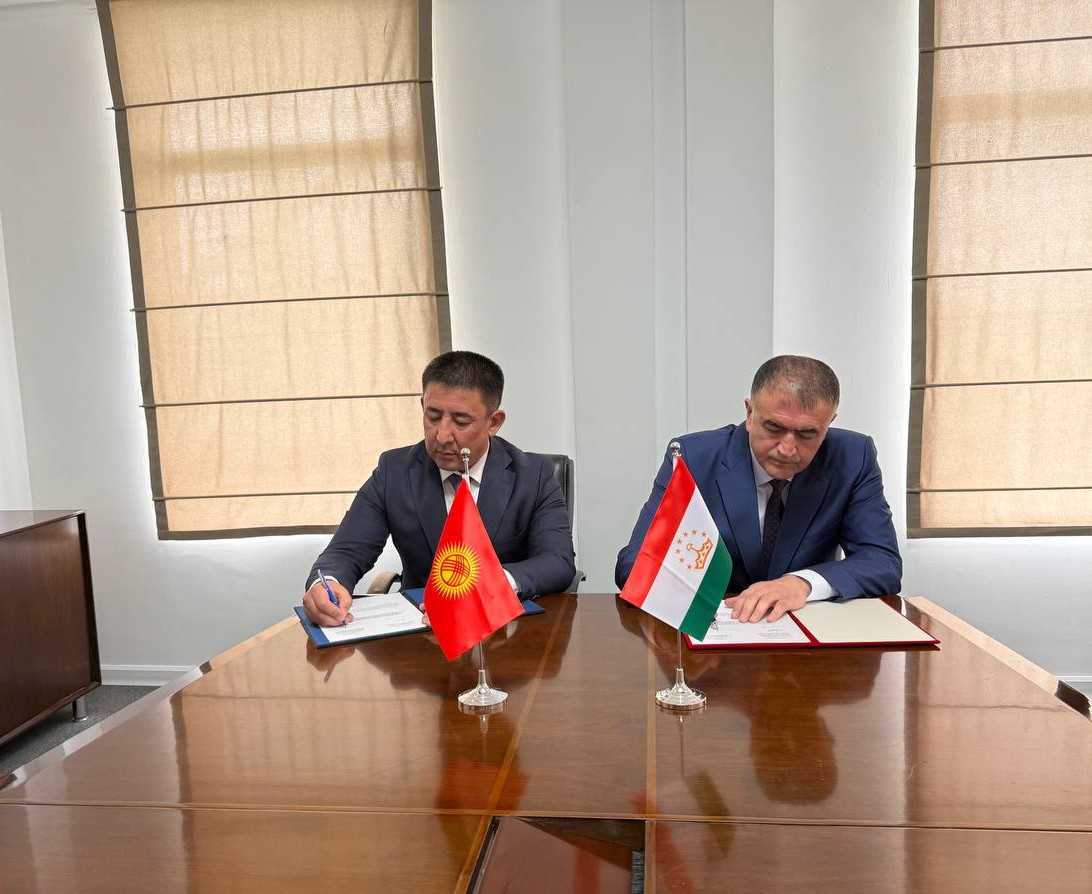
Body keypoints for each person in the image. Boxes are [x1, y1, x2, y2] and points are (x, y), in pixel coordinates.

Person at [615, 355, 901, 623]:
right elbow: (634, 565)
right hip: (715, 629)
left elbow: (882, 562)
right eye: (774, 427)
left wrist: (803, 583)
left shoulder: (853, 457)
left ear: (828, 425)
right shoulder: (693, 457)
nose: (787, 449)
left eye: (807, 433)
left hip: (807, 632)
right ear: (750, 413)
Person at [304, 351, 577, 626]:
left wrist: (496, 584)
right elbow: (346, 551)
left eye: (461, 422)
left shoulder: (534, 475)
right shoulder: (394, 471)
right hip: (422, 630)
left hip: (507, 632)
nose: (442, 436)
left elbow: (558, 561)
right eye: (433, 416)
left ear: (493, 422)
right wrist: (326, 583)